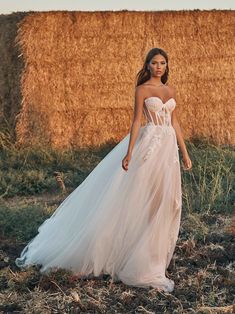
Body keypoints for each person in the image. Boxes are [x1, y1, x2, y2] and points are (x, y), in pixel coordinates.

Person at [15, 47, 192, 293]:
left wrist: (184, 153)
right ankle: (136, 257)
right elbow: (136, 122)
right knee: (141, 198)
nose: (159, 66)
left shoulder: (171, 91)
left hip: (168, 150)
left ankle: (153, 253)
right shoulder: (141, 90)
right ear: (148, 65)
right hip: (149, 147)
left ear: (166, 65)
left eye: (162, 62)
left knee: (164, 201)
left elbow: (175, 123)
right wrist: (129, 153)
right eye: (154, 62)